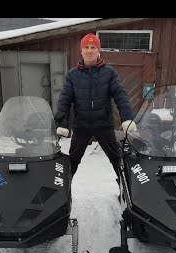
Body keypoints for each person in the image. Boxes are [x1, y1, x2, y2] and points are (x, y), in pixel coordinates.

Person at [54, 33, 137, 178]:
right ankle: (64, 195)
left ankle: (126, 193)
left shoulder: (109, 73)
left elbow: (120, 96)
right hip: (81, 126)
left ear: (98, 51)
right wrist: (62, 123)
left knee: (117, 160)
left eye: (93, 47)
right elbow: (65, 100)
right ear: (81, 51)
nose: (89, 50)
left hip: (104, 125)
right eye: (86, 47)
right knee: (71, 162)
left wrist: (127, 118)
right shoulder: (72, 75)